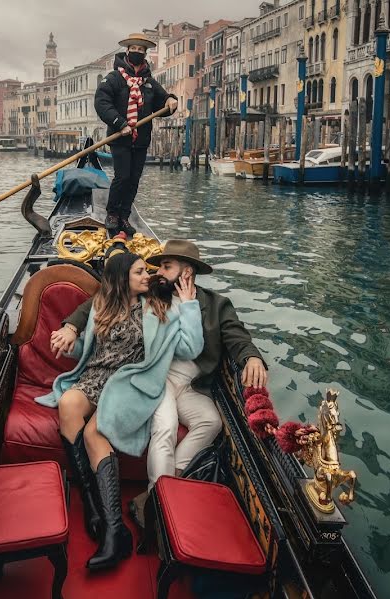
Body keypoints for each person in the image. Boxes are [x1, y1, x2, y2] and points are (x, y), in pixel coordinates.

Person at [49, 240, 268, 522]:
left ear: (186, 271)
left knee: (211, 421)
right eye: (158, 266)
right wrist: (71, 326)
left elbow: (236, 335)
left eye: (166, 266)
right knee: (165, 427)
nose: (157, 272)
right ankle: (160, 504)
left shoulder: (215, 305)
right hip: (157, 378)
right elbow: (105, 298)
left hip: (192, 385)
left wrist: (252, 357)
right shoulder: (154, 292)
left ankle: (166, 486)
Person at [36, 251, 203, 571]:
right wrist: (70, 333)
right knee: (69, 402)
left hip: (128, 385)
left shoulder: (157, 307)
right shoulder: (104, 305)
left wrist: (190, 303)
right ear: (121, 278)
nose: (146, 275)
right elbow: (89, 325)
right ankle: (91, 504)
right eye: (139, 271)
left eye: (146, 271)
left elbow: (190, 347)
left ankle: (115, 530)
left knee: (93, 431)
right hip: (95, 377)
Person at [95, 33, 178, 237]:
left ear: (145, 54)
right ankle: (112, 214)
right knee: (122, 177)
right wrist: (119, 122)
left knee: (134, 179)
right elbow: (102, 103)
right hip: (120, 137)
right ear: (127, 51)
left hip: (140, 139)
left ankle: (124, 215)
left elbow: (163, 102)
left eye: (142, 50)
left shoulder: (148, 82)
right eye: (135, 49)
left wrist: (171, 101)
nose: (138, 52)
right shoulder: (113, 78)